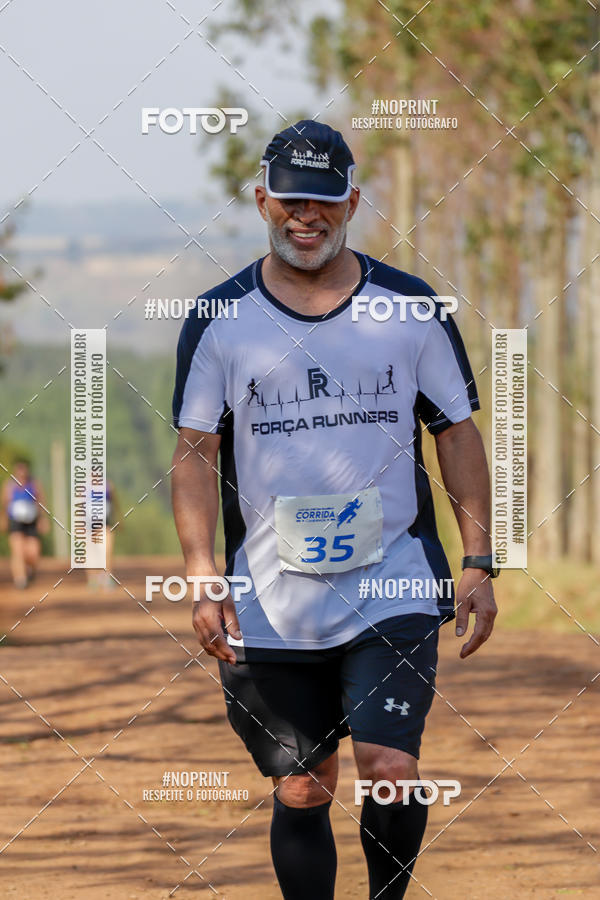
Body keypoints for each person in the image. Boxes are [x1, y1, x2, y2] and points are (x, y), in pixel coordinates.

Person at [171, 120, 498, 899]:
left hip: (394, 584)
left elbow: (456, 434)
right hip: (270, 599)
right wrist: (199, 574)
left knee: (388, 771)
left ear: (351, 202)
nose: (305, 216)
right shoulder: (221, 320)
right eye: (289, 201)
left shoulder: (410, 309)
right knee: (302, 786)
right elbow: (194, 454)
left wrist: (480, 561)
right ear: (261, 202)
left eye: (323, 201)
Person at [1, 459, 48, 589]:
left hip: (31, 522)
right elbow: (5, 504)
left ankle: (30, 569)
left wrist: (43, 519)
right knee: (18, 551)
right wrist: (4, 520)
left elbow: (41, 502)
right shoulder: (9, 486)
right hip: (15, 522)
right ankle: (20, 579)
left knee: (34, 552)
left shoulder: (34, 484)